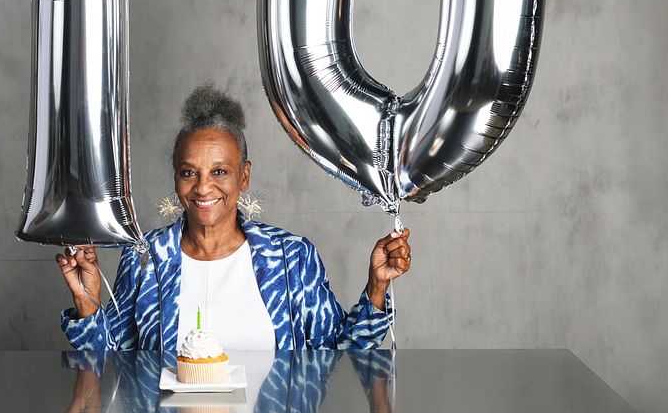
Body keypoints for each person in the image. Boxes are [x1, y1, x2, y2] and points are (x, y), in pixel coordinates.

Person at [56, 84, 412, 351]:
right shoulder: (146, 256)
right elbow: (114, 369)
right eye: (188, 172)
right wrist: (87, 302)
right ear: (175, 177)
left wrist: (377, 285)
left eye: (220, 171)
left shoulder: (292, 258)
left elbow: (338, 355)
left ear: (244, 176)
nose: (203, 188)